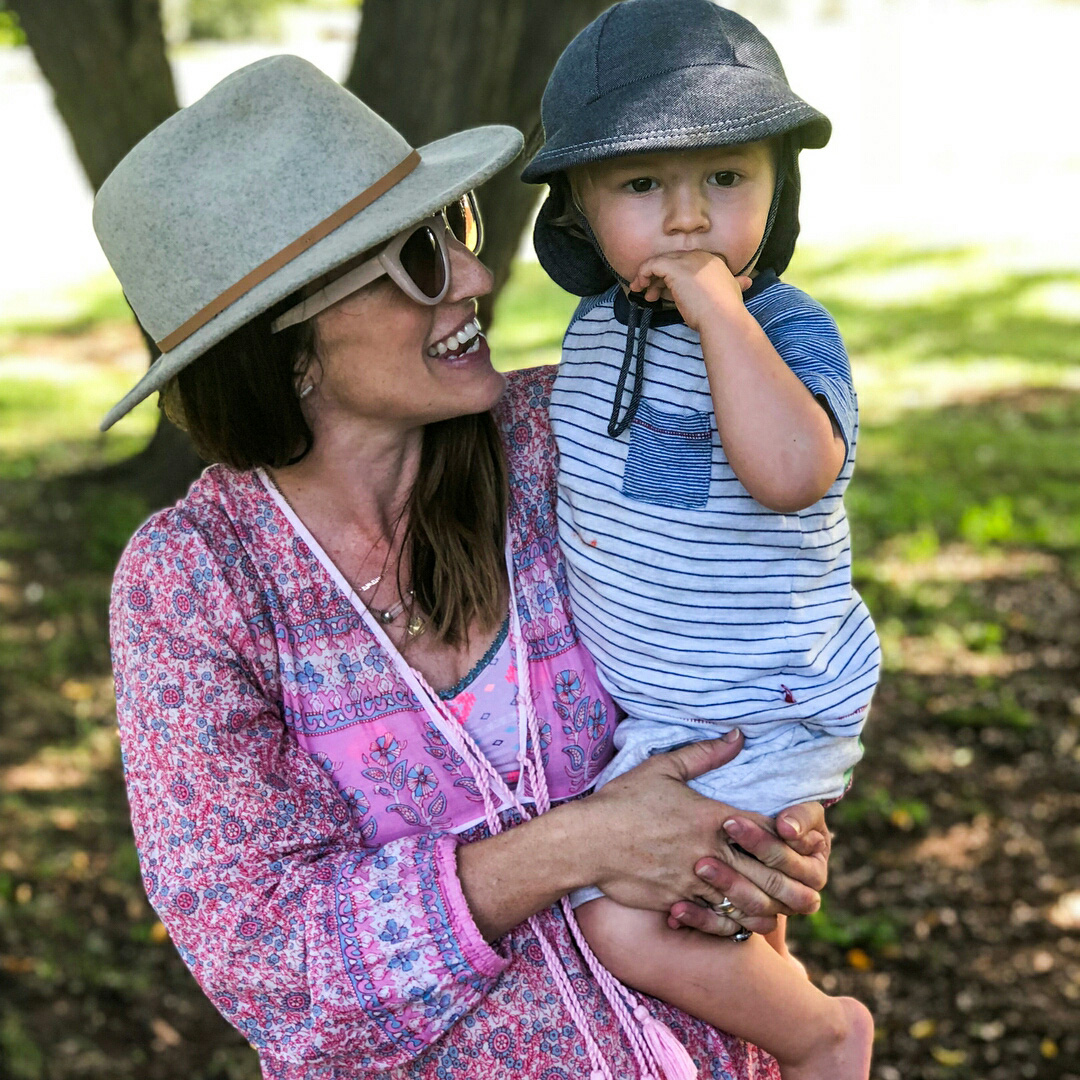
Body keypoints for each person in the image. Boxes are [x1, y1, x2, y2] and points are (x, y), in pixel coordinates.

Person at [98, 54, 838, 1080]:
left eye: (459, 232)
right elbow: (272, 965)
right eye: (416, 260)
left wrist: (767, 820)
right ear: (286, 345)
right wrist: (581, 847)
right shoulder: (198, 585)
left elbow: (749, 605)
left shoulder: (570, 432)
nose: (476, 277)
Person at [520, 2, 882, 1078]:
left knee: (621, 925)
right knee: (714, 920)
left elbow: (787, 473)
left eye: (726, 180)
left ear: (781, 193)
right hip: (674, 715)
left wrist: (724, 311)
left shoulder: (785, 332)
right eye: (642, 187)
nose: (686, 221)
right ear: (582, 217)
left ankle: (826, 1039)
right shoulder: (596, 336)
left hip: (764, 702)